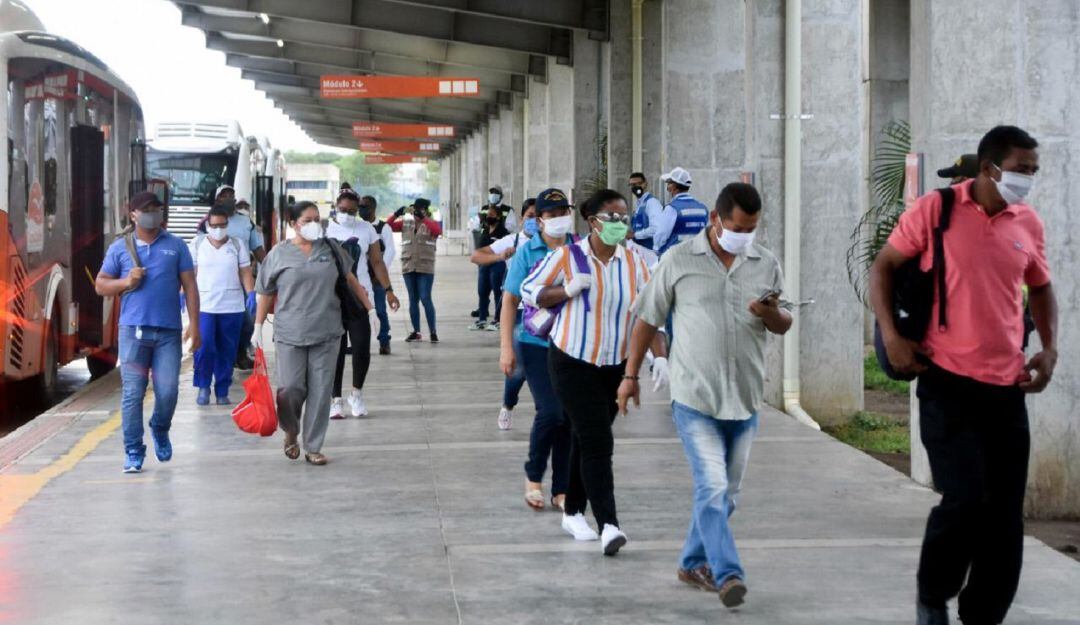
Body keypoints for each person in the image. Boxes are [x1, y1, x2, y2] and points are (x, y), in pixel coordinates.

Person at [870, 126, 1058, 625]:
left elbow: (1041, 287)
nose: (1028, 179)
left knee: (1003, 517)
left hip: (1006, 388)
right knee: (966, 498)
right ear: (990, 166)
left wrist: (1050, 349)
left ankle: (983, 616)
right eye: (1022, 169)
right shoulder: (939, 210)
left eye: (1034, 171)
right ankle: (933, 596)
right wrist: (891, 334)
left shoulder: (1028, 223)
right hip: (946, 382)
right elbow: (883, 267)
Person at [619, 182, 791, 608]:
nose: (744, 235)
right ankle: (727, 572)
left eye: (751, 228)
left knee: (727, 494)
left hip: (746, 396)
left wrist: (770, 312)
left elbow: (783, 322)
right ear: (716, 219)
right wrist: (631, 375)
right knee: (712, 486)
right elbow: (646, 319)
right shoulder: (678, 260)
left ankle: (691, 562)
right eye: (737, 227)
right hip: (695, 396)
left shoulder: (764, 263)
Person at [521, 189, 666, 556]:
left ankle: (571, 511)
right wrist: (564, 290)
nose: (619, 225)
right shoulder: (567, 256)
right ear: (593, 222)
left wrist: (658, 356)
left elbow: (650, 313)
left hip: (614, 366)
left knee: (587, 439)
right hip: (571, 361)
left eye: (624, 218)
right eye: (611, 218)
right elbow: (528, 289)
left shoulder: (635, 262)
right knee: (599, 441)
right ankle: (609, 525)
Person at [253, 201, 375, 466]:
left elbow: (350, 278)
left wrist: (368, 308)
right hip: (289, 333)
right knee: (290, 389)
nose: (314, 224)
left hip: (328, 332)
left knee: (321, 393)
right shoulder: (278, 254)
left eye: (317, 219)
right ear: (293, 224)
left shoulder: (331, 249)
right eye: (307, 220)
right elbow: (264, 290)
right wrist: (258, 325)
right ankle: (291, 431)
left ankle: (313, 446)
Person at [95, 191, 200, 473]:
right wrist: (126, 281)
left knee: (168, 391)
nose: (154, 213)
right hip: (133, 331)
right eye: (147, 209)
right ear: (133, 215)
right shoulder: (120, 248)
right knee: (133, 393)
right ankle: (133, 450)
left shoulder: (176, 246)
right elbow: (101, 285)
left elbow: (190, 286)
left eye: (157, 208)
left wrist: (195, 325)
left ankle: (160, 427)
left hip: (168, 333)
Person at [499, 190, 575, 508]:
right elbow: (510, 301)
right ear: (540, 219)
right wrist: (506, 347)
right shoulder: (527, 252)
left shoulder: (580, 248)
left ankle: (562, 488)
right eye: (552, 213)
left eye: (563, 212)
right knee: (550, 411)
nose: (559, 218)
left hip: (573, 342)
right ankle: (533, 475)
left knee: (569, 417)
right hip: (536, 342)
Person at [326, 189, 400, 418]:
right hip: (332, 296)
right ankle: (335, 400)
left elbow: (377, 261)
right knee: (335, 350)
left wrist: (389, 290)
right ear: (336, 206)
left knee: (361, 347)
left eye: (352, 211)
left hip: (361, 295)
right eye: (343, 210)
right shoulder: (324, 229)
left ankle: (356, 394)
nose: (347, 214)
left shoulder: (366, 229)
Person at [474, 198, 536, 429]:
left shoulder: (557, 244)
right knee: (519, 367)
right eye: (529, 216)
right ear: (522, 219)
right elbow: (477, 255)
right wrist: (500, 257)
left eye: (539, 216)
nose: (534, 220)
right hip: (520, 310)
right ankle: (508, 405)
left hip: (551, 311)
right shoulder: (515, 240)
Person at [187, 204, 255, 406]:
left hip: (232, 306)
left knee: (227, 350)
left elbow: (245, 271)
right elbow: (191, 274)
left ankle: (222, 389)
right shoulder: (198, 244)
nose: (218, 228)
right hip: (205, 306)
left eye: (222, 225)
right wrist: (184, 294)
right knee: (204, 346)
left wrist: (250, 293)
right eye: (214, 225)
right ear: (208, 224)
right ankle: (203, 386)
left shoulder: (237, 244)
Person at [388, 197, 441, 343]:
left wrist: (424, 218)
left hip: (425, 266)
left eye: (419, 209)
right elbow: (387, 226)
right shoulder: (406, 223)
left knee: (425, 298)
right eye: (414, 209)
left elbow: (438, 231)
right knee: (413, 299)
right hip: (409, 265)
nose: (416, 212)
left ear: (425, 210)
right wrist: (396, 214)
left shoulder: (430, 223)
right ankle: (416, 332)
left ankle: (433, 331)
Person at [361, 194, 397, 355]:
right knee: (360, 312)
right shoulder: (358, 227)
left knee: (380, 310)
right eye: (360, 207)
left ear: (373, 209)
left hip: (378, 278)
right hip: (361, 277)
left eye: (365, 207)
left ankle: (384, 340)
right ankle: (357, 343)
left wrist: (380, 272)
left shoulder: (383, 228)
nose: (361, 210)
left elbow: (390, 251)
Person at [469, 205, 511, 331]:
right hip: (484, 265)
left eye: (492, 215)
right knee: (482, 292)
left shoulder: (504, 233)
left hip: (497, 265)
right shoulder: (485, 230)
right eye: (488, 215)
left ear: (498, 217)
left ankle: (497, 319)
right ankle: (482, 319)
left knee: (498, 292)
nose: (489, 217)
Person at [658, 166, 708, 254]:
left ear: (673, 187)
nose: (667, 187)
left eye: (669, 183)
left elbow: (660, 236)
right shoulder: (703, 208)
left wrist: (657, 250)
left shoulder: (672, 209)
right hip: (698, 258)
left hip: (676, 258)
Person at [628, 171, 667, 252]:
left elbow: (657, 228)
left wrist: (634, 235)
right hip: (639, 251)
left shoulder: (652, 202)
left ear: (645, 184)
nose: (635, 187)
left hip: (649, 251)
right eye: (632, 185)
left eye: (638, 184)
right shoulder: (639, 204)